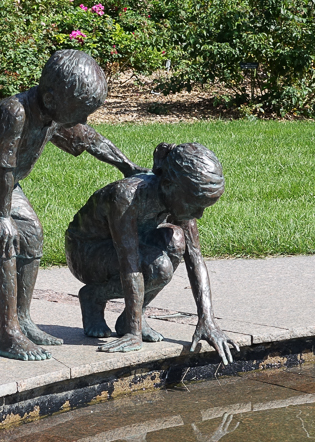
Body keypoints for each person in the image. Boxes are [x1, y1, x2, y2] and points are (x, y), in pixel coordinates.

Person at [0, 49, 144, 361]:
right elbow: (3, 167)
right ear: (51, 99)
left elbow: (90, 140)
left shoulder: (53, 114)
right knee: (3, 240)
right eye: (79, 112)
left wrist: (127, 166)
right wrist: (3, 216)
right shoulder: (15, 113)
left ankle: (22, 319)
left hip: (0, 182)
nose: (83, 120)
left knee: (32, 235)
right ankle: (8, 334)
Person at [65, 142, 234, 363]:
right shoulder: (126, 196)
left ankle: (130, 317)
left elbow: (195, 257)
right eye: (195, 205)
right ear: (169, 184)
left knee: (176, 240)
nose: (199, 214)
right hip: (87, 251)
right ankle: (93, 297)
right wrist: (133, 335)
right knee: (159, 267)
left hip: (132, 247)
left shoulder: (178, 196)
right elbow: (130, 262)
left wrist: (207, 320)